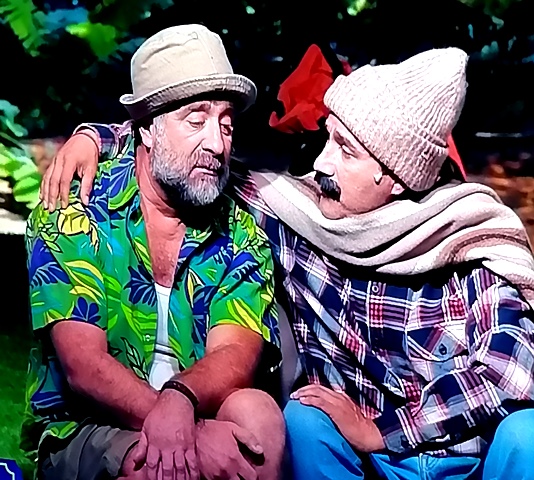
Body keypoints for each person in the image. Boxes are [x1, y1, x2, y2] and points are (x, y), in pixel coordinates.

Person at [40, 46, 534, 480]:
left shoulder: (471, 241)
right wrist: (95, 138)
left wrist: (383, 430)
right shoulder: (303, 218)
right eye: (328, 139)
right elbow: (187, 161)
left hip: (465, 452)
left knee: (526, 434)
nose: (321, 163)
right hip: (361, 460)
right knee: (302, 419)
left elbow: (510, 373)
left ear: (395, 178)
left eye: (345, 150)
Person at [24, 24, 285, 480]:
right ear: (146, 129)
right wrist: (183, 433)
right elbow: (84, 367)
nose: (217, 144)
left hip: (195, 406)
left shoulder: (241, 233)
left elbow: (236, 355)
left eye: (226, 125)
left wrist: (181, 403)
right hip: (87, 425)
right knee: (155, 468)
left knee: (257, 415)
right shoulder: (74, 212)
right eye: (196, 121)